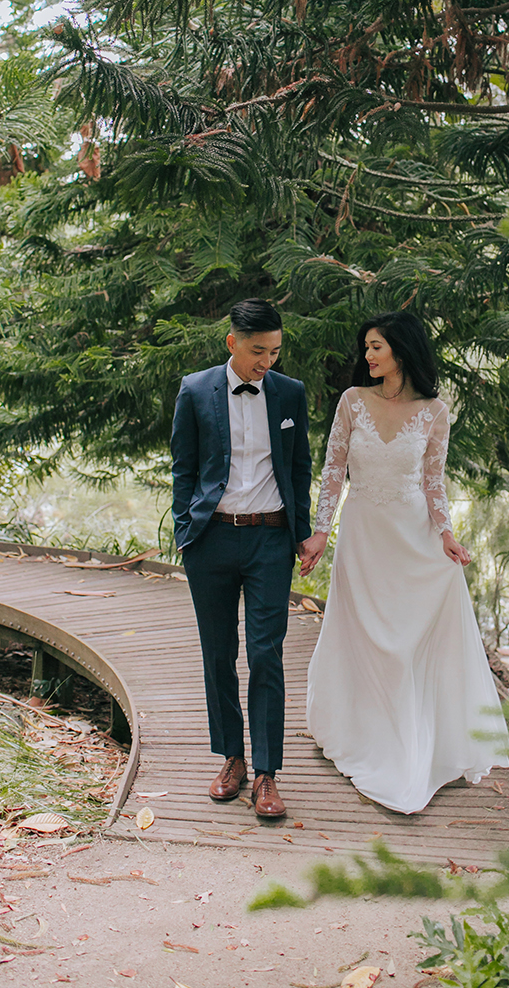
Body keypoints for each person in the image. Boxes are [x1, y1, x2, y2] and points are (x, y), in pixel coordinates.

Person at [301, 311, 509, 813]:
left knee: (407, 642)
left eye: (376, 347)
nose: (368, 356)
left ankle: (414, 744)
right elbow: (333, 469)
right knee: (365, 635)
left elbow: (434, 480)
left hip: (414, 538)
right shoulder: (352, 401)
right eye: (366, 347)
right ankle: (361, 733)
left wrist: (447, 533)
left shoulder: (436, 411)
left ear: (401, 349)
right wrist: (321, 531)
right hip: (363, 536)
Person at [170, 298, 313, 820]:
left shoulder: (290, 393)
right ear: (231, 343)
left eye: (275, 352)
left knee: (266, 655)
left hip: (270, 541)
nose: (266, 362)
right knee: (218, 654)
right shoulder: (194, 390)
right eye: (258, 352)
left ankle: (268, 773)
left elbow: (299, 469)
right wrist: (187, 532)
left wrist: (303, 533)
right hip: (210, 541)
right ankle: (232, 758)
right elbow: (183, 468)